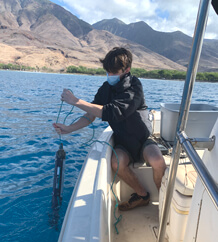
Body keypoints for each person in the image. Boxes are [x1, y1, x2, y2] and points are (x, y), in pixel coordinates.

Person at [53, 47, 166, 211]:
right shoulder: (105, 89)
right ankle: (143, 195)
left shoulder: (135, 87)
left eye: (114, 71)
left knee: (158, 161)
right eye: (108, 71)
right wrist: (70, 128)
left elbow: (113, 112)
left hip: (142, 140)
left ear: (126, 69)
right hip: (123, 142)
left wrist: (76, 101)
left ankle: (164, 203)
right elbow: (91, 114)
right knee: (116, 163)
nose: (110, 75)